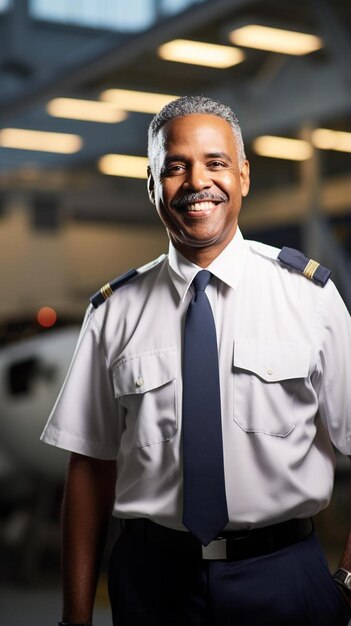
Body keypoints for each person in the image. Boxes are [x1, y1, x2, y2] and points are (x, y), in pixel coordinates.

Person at [41, 95, 351, 626]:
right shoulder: (113, 313)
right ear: (151, 183)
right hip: (152, 584)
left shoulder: (311, 299)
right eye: (175, 166)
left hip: (284, 576)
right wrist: (76, 617)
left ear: (244, 176)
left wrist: (347, 581)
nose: (196, 182)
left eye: (216, 162)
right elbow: (90, 469)